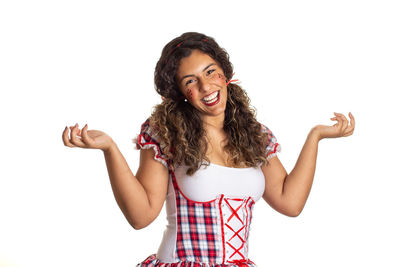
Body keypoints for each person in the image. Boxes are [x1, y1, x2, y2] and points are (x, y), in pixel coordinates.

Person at [62, 32, 355, 266]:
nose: (206, 87)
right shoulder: (166, 133)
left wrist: (316, 136)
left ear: (225, 73)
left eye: (211, 72)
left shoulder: (256, 136)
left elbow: (290, 203)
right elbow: (141, 217)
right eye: (191, 81)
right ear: (180, 93)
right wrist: (109, 149)